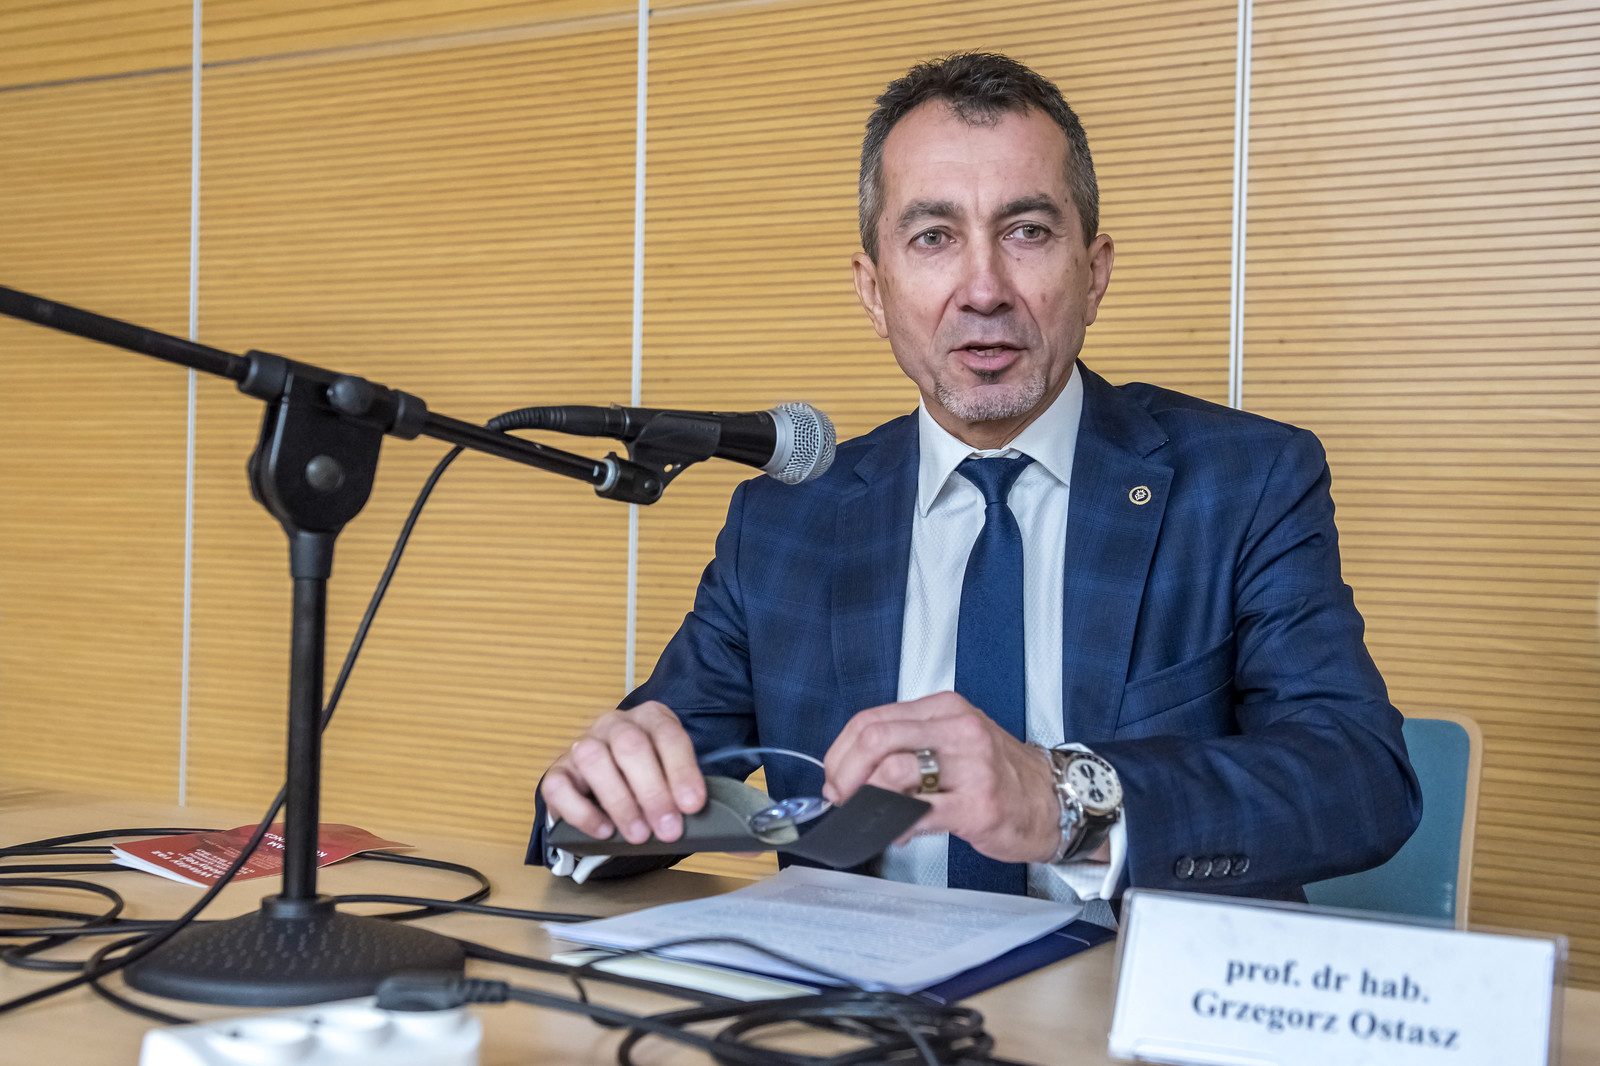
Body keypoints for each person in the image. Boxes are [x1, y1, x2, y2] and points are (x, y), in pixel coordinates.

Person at [528, 52, 1420, 909]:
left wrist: (1062, 797)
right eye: (933, 237)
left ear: (1094, 272)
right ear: (874, 291)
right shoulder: (785, 518)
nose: (983, 288)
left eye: (1027, 232)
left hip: (1118, 993)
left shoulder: (1245, 480)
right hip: (861, 996)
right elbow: (635, 796)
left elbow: (1359, 776)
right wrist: (597, 803)